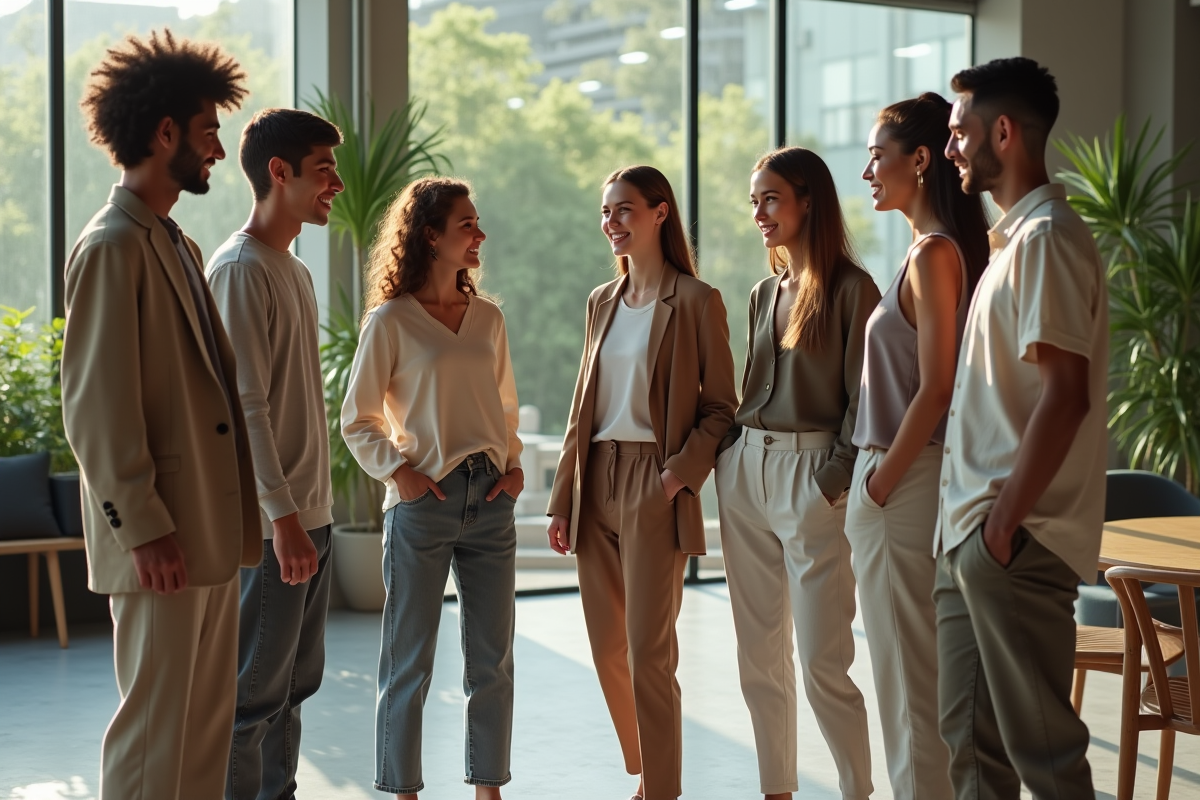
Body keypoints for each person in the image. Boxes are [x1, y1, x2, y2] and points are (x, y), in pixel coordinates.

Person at [60, 30, 258, 800]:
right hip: (162, 536)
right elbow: (95, 404)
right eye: (207, 129)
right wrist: (141, 525)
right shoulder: (114, 245)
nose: (216, 147)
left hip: (202, 530)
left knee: (202, 729)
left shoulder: (170, 239)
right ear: (165, 132)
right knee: (154, 734)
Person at [937, 57, 1106, 799]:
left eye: (959, 132)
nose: (950, 149)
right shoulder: (1011, 246)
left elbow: (1065, 397)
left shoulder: (1046, 242)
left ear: (1001, 133)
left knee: (1045, 760)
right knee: (973, 757)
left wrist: (1001, 530)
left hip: (1011, 541)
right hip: (975, 538)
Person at [546, 165, 738, 800]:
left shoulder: (697, 301)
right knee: (607, 649)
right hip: (595, 476)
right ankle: (644, 759)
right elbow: (582, 406)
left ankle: (660, 788)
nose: (611, 223)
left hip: (655, 480)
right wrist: (563, 497)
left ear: (660, 213)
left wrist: (677, 477)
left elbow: (720, 408)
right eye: (606, 212)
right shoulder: (601, 301)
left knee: (649, 650)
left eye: (623, 210)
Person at [341, 177, 523, 800]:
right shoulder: (390, 322)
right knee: (409, 662)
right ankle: (403, 792)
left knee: (492, 662)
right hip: (424, 505)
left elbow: (504, 409)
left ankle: (488, 790)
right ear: (430, 236)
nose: (480, 234)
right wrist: (401, 474)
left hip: (491, 501)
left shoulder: (489, 319)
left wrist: (515, 465)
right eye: (466, 224)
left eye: (477, 222)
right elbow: (357, 419)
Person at [716, 146, 881, 800]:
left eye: (770, 198)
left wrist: (831, 483)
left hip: (813, 476)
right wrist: (729, 454)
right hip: (745, 473)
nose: (758, 212)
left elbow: (867, 400)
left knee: (821, 661)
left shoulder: (852, 290)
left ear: (808, 199)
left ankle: (855, 792)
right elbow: (750, 388)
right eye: (754, 200)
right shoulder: (765, 292)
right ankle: (775, 790)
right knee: (758, 658)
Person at [846, 92, 990, 800]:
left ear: (921, 159)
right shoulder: (927, 251)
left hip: (901, 483)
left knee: (909, 684)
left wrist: (879, 486)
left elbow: (936, 390)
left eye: (878, 155)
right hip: (899, 481)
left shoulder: (934, 255)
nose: (868, 170)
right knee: (910, 678)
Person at [205, 108, 345, 800]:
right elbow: (245, 408)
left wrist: (305, 516)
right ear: (278, 173)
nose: (338, 186)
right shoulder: (237, 270)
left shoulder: (292, 269)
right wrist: (282, 518)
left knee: (292, 689)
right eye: (325, 172)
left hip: (306, 516)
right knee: (251, 696)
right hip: (273, 527)